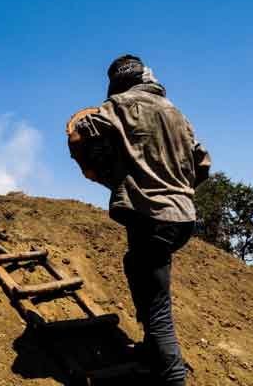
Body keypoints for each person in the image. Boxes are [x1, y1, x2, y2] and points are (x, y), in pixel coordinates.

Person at [68, 55, 211, 385]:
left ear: (116, 83)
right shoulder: (175, 111)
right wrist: (179, 193)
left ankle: (171, 377)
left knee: (159, 309)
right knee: (138, 266)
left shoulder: (118, 105)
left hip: (149, 216)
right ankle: (151, 348)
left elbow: (78, 134)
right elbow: (202, 163)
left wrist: (91, 170)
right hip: (182, 218)